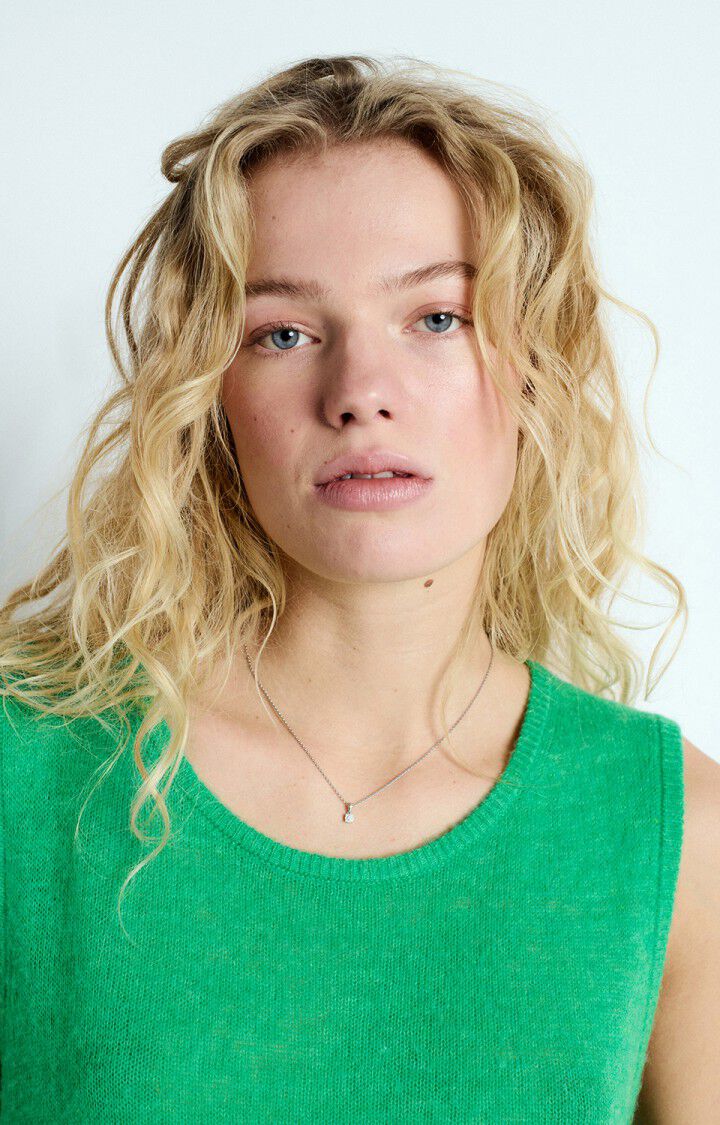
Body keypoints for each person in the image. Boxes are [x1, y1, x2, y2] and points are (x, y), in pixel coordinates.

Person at [0, 53, 717, 1123]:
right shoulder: (27, 770)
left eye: (436, 318)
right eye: (283, 333)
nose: (360, 393)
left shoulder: (676, 836)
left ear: (535, 364)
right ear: (207, 394)